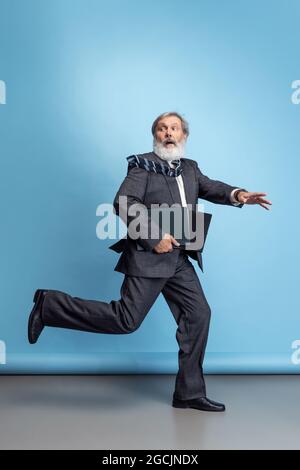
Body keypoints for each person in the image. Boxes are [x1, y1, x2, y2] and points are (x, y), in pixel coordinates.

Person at [28, 112, 272, 411]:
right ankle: (49, 305)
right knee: (125, 321)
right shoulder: (142, 165)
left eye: (174, 128)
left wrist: (239, 195)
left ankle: (189, 393)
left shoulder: (190, 168)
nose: (168, 133)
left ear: (184, 135)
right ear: (155, 135)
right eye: (161, 128)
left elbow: (211, 187)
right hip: (150, 256)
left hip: (180, 258)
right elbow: (124, 202)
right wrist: (153, 236)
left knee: (198, 315)